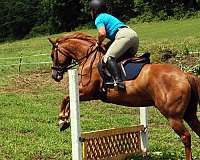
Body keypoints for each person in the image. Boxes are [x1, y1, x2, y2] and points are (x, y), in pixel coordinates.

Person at [90, 0, 139, 89]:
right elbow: (115, 37)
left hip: (123, 36)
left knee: (107, 58)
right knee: (121, 58)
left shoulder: (99, 18)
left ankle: (118, 81)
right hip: (133, 36)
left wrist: (98, 43)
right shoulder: (108, 16)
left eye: (91, 10)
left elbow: (102, 33)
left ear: (94, 10)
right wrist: (106, 45)